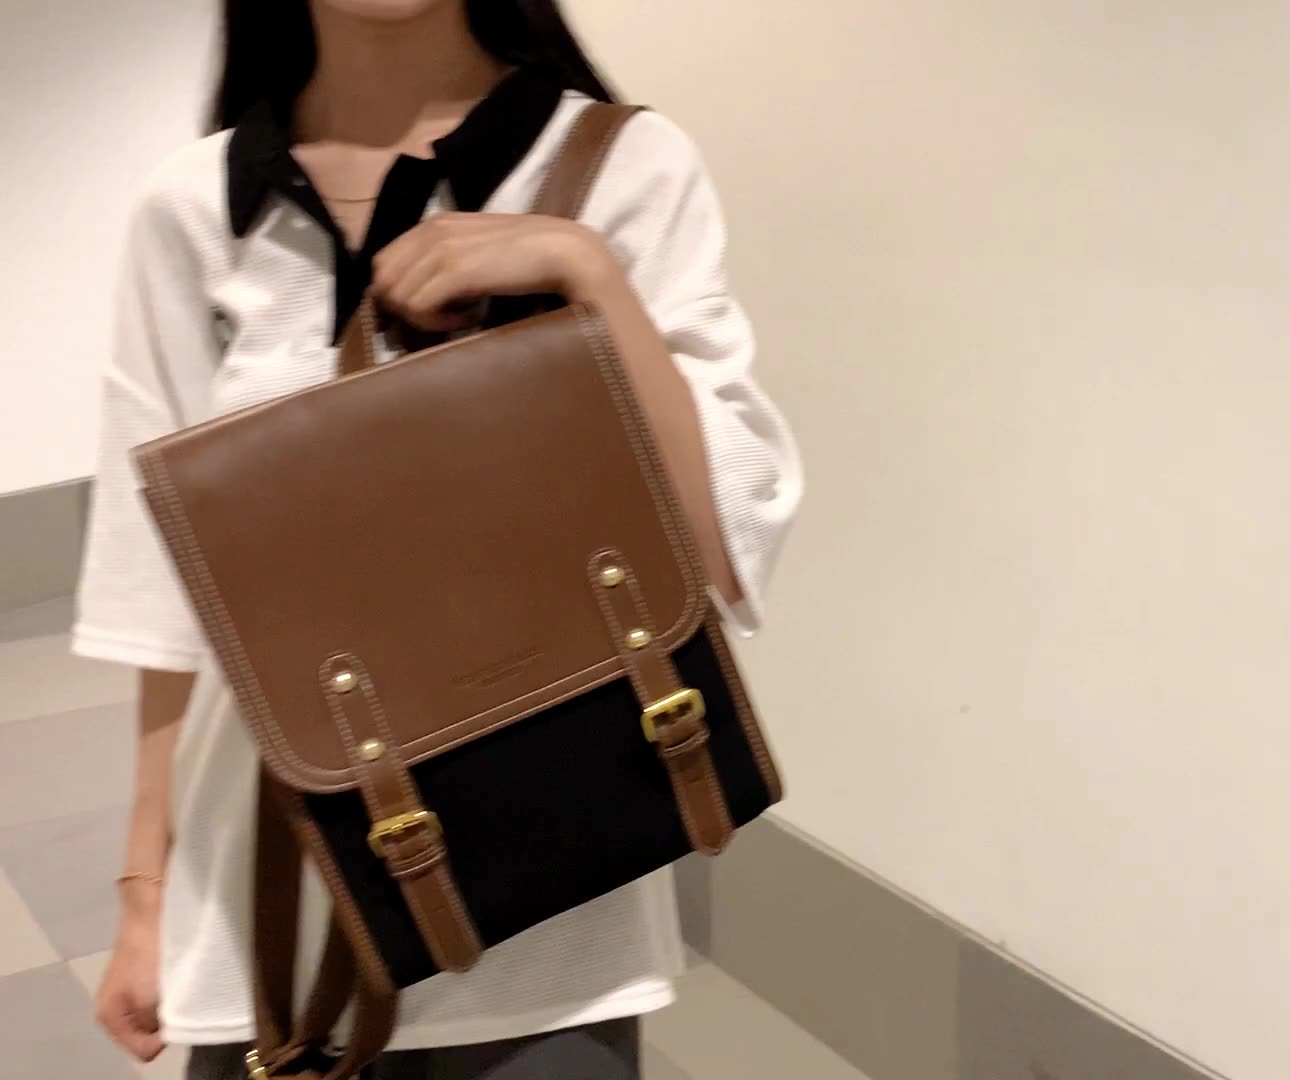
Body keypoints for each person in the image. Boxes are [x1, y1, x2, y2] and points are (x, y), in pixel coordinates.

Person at [71, 1, 802, 1076]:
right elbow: (163, 594)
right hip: (265, 903)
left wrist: (587, 274)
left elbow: (722, 553)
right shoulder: (194, 206)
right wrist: (146, 894)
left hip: (555, 900)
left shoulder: (623, 166)